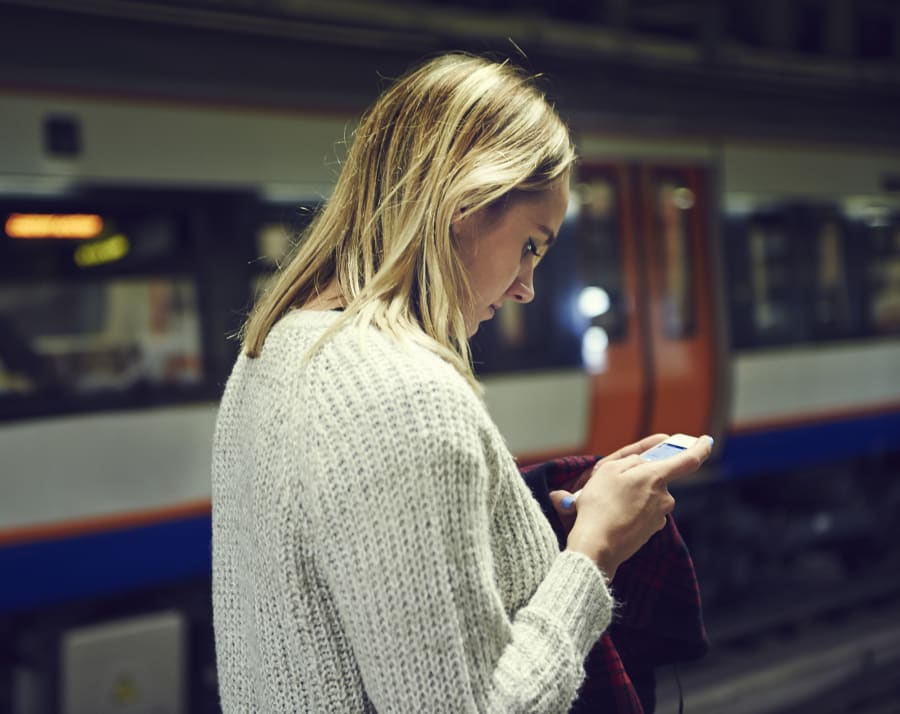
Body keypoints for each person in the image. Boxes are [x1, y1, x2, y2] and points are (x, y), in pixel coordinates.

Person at [211, 52, 713, 713]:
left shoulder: (270, 351)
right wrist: (595, 551)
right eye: (531, 244)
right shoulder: (410, 395)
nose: (528, 286)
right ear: (466, 203)